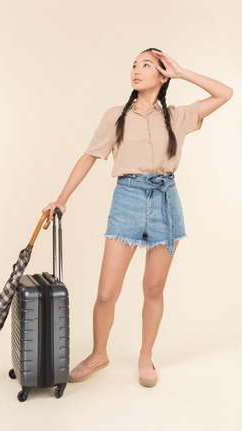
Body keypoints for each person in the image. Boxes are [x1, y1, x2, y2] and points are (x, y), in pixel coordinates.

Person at [42, 48, 233, 387]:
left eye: (146, 65)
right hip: (127, 199)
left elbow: (225, 93)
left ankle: (146, 356)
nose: (136, 70)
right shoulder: (116, 116)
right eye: (133, 65)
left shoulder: (177, 116)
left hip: (165, 202)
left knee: (154, 288)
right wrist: (62, 197)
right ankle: (99, 353)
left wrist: (182, 71)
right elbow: (89, 157)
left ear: (162, 75)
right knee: (106, 293)